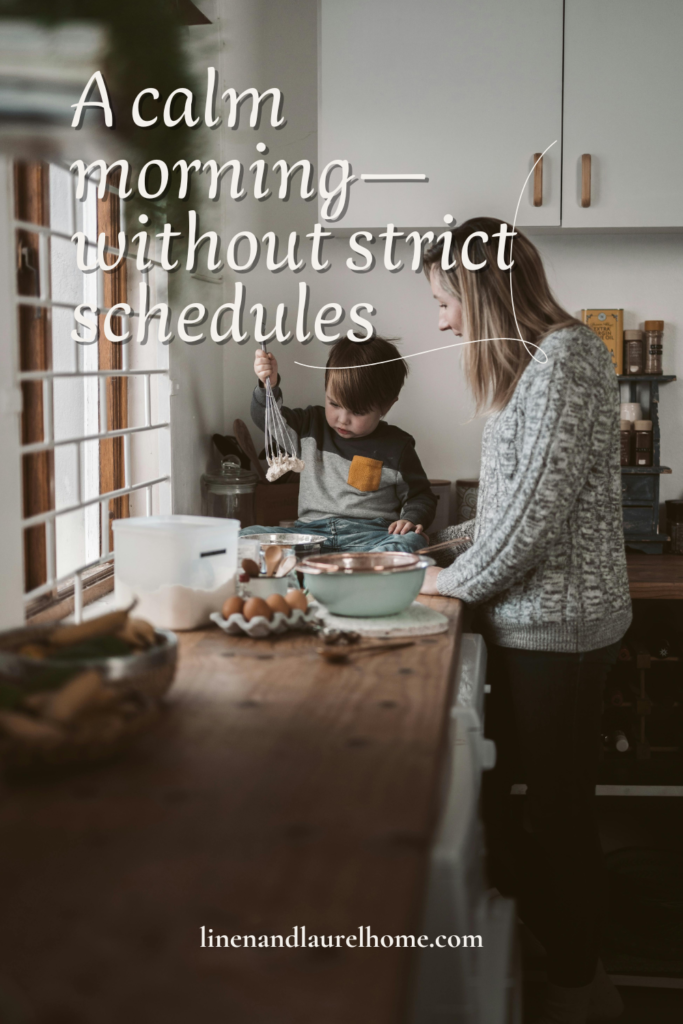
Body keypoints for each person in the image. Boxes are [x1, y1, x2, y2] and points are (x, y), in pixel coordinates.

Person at [420, 218, 631, 1024]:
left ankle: (581, 986)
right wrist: (438, 546)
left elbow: (532, 523)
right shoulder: (538, 367)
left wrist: (441, 578)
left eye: (444, 301)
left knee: (553, 815)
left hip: (560, 631)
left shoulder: (566, 360)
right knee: (513, 809)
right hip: (532, 624)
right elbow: (512, 509)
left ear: (479, 290)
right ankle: (565, 961)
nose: (440, 320)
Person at [243, 335, 437, 552]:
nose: (343, 419)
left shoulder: (397, 447)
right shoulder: (309, 426)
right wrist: (267, 385)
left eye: (358, 411)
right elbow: (267, 419)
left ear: (387, 406)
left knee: (412, 541)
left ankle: (360, 570)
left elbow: (421, 496)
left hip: (369, 539)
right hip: (310, 537)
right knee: (245, 536)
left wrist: (411, 519)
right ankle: (335, 570)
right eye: (334, 404)